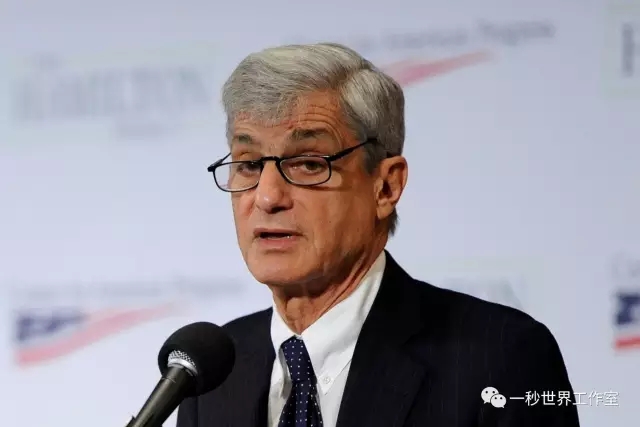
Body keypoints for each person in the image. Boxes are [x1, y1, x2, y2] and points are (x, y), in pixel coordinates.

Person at [176, 42, 580, 427]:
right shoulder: (211, 375)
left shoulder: (500, 358)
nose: (267, 197)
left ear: (386, 187)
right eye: (248, 165)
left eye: (308, 163)